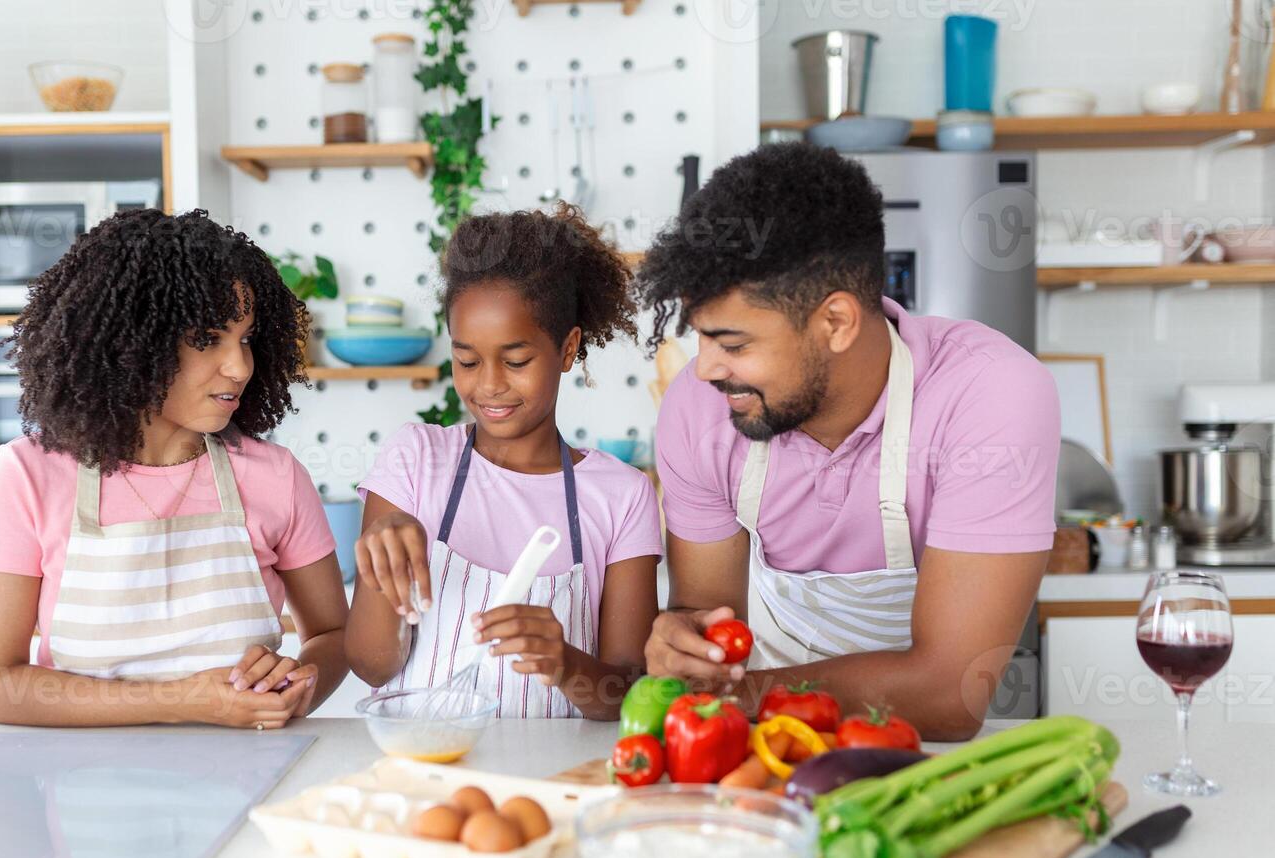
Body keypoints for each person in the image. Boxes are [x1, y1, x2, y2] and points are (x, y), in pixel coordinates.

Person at [635, 143, 1059, 740]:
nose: (703, 369)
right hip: (760, 751)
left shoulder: (991, 393)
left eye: (732, 345)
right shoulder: (698, 406)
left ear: (835, 322)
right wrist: (679, 642)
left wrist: (739, 692)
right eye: (701, 339)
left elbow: (949, 695)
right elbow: (705, 621)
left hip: (924, 764)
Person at [0, 209, 348, 729]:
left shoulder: (275, 476)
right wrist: (188, 700)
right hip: (83, 799)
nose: (240, 367)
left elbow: (334, 637)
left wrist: (298, 684)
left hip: (249, 785)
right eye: (209, 339)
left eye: (248, 339)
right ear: (133, 342)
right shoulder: (28, 475)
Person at [345, 204, 662, 719]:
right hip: (421, 775)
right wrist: (386, 577)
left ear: (567, 349)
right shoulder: (417, 461)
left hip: (552, 783)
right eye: (467, 360)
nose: (488, 384)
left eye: (515, 361)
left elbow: (627, 694)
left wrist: (565, 664)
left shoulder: (621, 494)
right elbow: (372, 665)